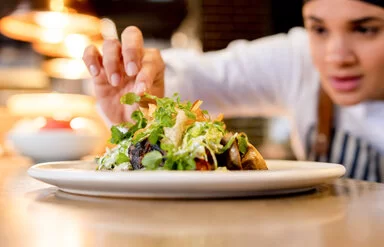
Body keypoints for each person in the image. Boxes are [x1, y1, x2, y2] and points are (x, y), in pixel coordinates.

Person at [82, 0, 384, 182]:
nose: (336, 56)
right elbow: (201, 77)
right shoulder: (299, 60)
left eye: (366, 29)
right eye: (318, 29)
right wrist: (139, 91)